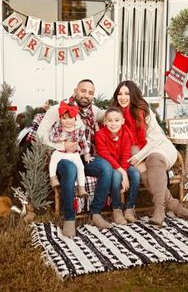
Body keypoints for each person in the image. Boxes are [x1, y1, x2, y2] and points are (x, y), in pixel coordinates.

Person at [112, 80, 188, 227]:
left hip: (160, 148)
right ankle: (179, 209)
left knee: (153, 159)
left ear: (133, 95)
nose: (123, 97)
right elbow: (101, 116)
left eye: (127, 93)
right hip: (139, 155)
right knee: (150, 178)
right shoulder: (116, 115)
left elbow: (156, 139)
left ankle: (159, 210)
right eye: (120, 94)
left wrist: (138, 157)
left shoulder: (144, 111)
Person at [37, 79, 113, 237]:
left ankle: (96, 213)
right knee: (70, 169)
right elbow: (40, 133)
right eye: (83, 91)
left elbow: (107, 115)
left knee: (106, 167)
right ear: (75, 91)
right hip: (63, 157)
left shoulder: (93, 110)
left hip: (84, 157)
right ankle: (69, 218)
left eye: (91, 93)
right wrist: (62, 146)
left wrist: (126, 108)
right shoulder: (58, 109)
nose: (86, 95)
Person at [95, 107, 140, 225]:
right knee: (116, 176)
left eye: (116, 120)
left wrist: (124, 170)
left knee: (135, 173)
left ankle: (129, 208)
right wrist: (123, 173)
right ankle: (117, 209)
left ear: (122, 121)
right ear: (105, 122)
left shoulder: (125, 134)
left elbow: (126, 155)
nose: (113, 124)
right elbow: (105, 155)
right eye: (109, 120)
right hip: (110, 165)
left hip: (122, 164)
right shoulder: (100, 135)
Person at [49, 101, 93, 197]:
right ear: (60, 119)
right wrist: (58, 138)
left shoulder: (78, 129)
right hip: (61, 153)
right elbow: (51, 137)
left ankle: (81, 188)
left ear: (75, 118)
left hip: (73, 154)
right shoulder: (58, 128)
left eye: (70, 118)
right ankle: (53, 178)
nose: (67, 121)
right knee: (53, 158)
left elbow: (83, 142)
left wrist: (87, 154)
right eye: (64, 118)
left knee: (81, 167)